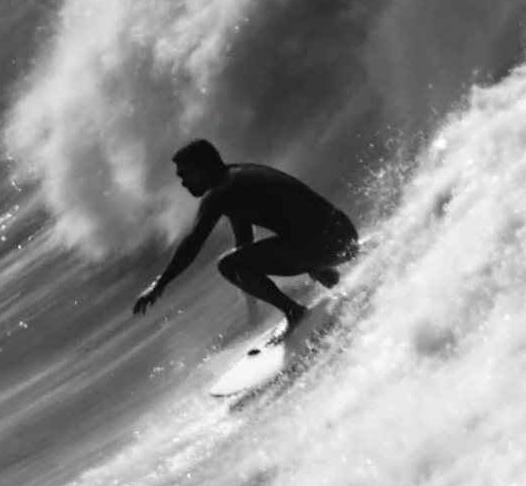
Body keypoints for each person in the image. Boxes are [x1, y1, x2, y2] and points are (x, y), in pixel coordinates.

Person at [131, 139, 359, 340]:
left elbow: (193, 242)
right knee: (253, 256)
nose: (183, 183)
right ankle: (330, 276)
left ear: (201, 168)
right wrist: (252, 299)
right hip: (343, 234)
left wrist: (159, 285)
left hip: (328, 243)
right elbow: (244, 243)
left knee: (226, 264)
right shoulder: (237, 178)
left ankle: (294, 312)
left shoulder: (219, 193)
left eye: (184, 175)